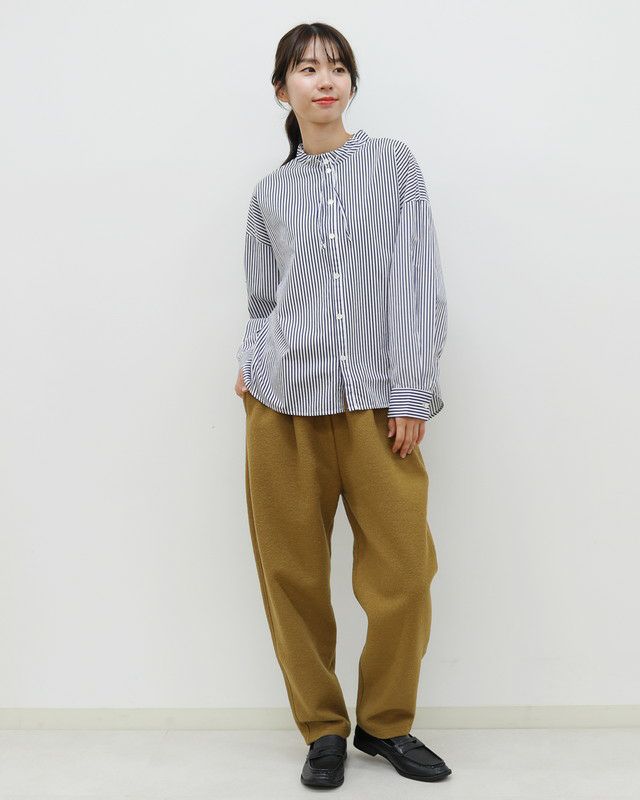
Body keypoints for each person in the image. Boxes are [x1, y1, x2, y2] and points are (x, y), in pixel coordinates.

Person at [235, 21, 452, 789]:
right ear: (282, 90)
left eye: (335, 67)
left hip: (376, 405)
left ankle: (385, 723)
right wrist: (250, 360)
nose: (323, 79)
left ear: (351, 83)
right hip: (282, 405)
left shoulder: (392, 165)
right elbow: (263, 301)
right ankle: (322, 729)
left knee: (405, 571)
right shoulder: (271, 194)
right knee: (291, 575)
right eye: (305, 68)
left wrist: (411, 388)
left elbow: (416, 276)